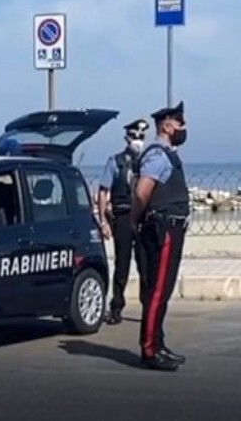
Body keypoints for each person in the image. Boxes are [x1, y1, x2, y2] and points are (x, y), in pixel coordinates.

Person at [130, 101, 190, 372]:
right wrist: (134, 220)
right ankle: (150, 349)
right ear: (167, 126)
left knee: (161, 292)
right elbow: (142, 192)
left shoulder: (168, 155)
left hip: (171, 229)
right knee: (157, 292)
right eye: (180, 122)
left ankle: (158, 342)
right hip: (162, 230)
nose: (183, 127)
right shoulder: (157, 155)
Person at [96, 118, 149, 325]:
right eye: (135, 136)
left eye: (141, 136)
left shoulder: (148, 161)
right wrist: (103, 221)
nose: (138, 140)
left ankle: (148, 310)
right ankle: (116, 307)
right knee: (122, 265)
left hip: (143, 218)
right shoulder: (115, 161)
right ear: (127, 138)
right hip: (123, 216)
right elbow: (103, 191)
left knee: (145, 265)